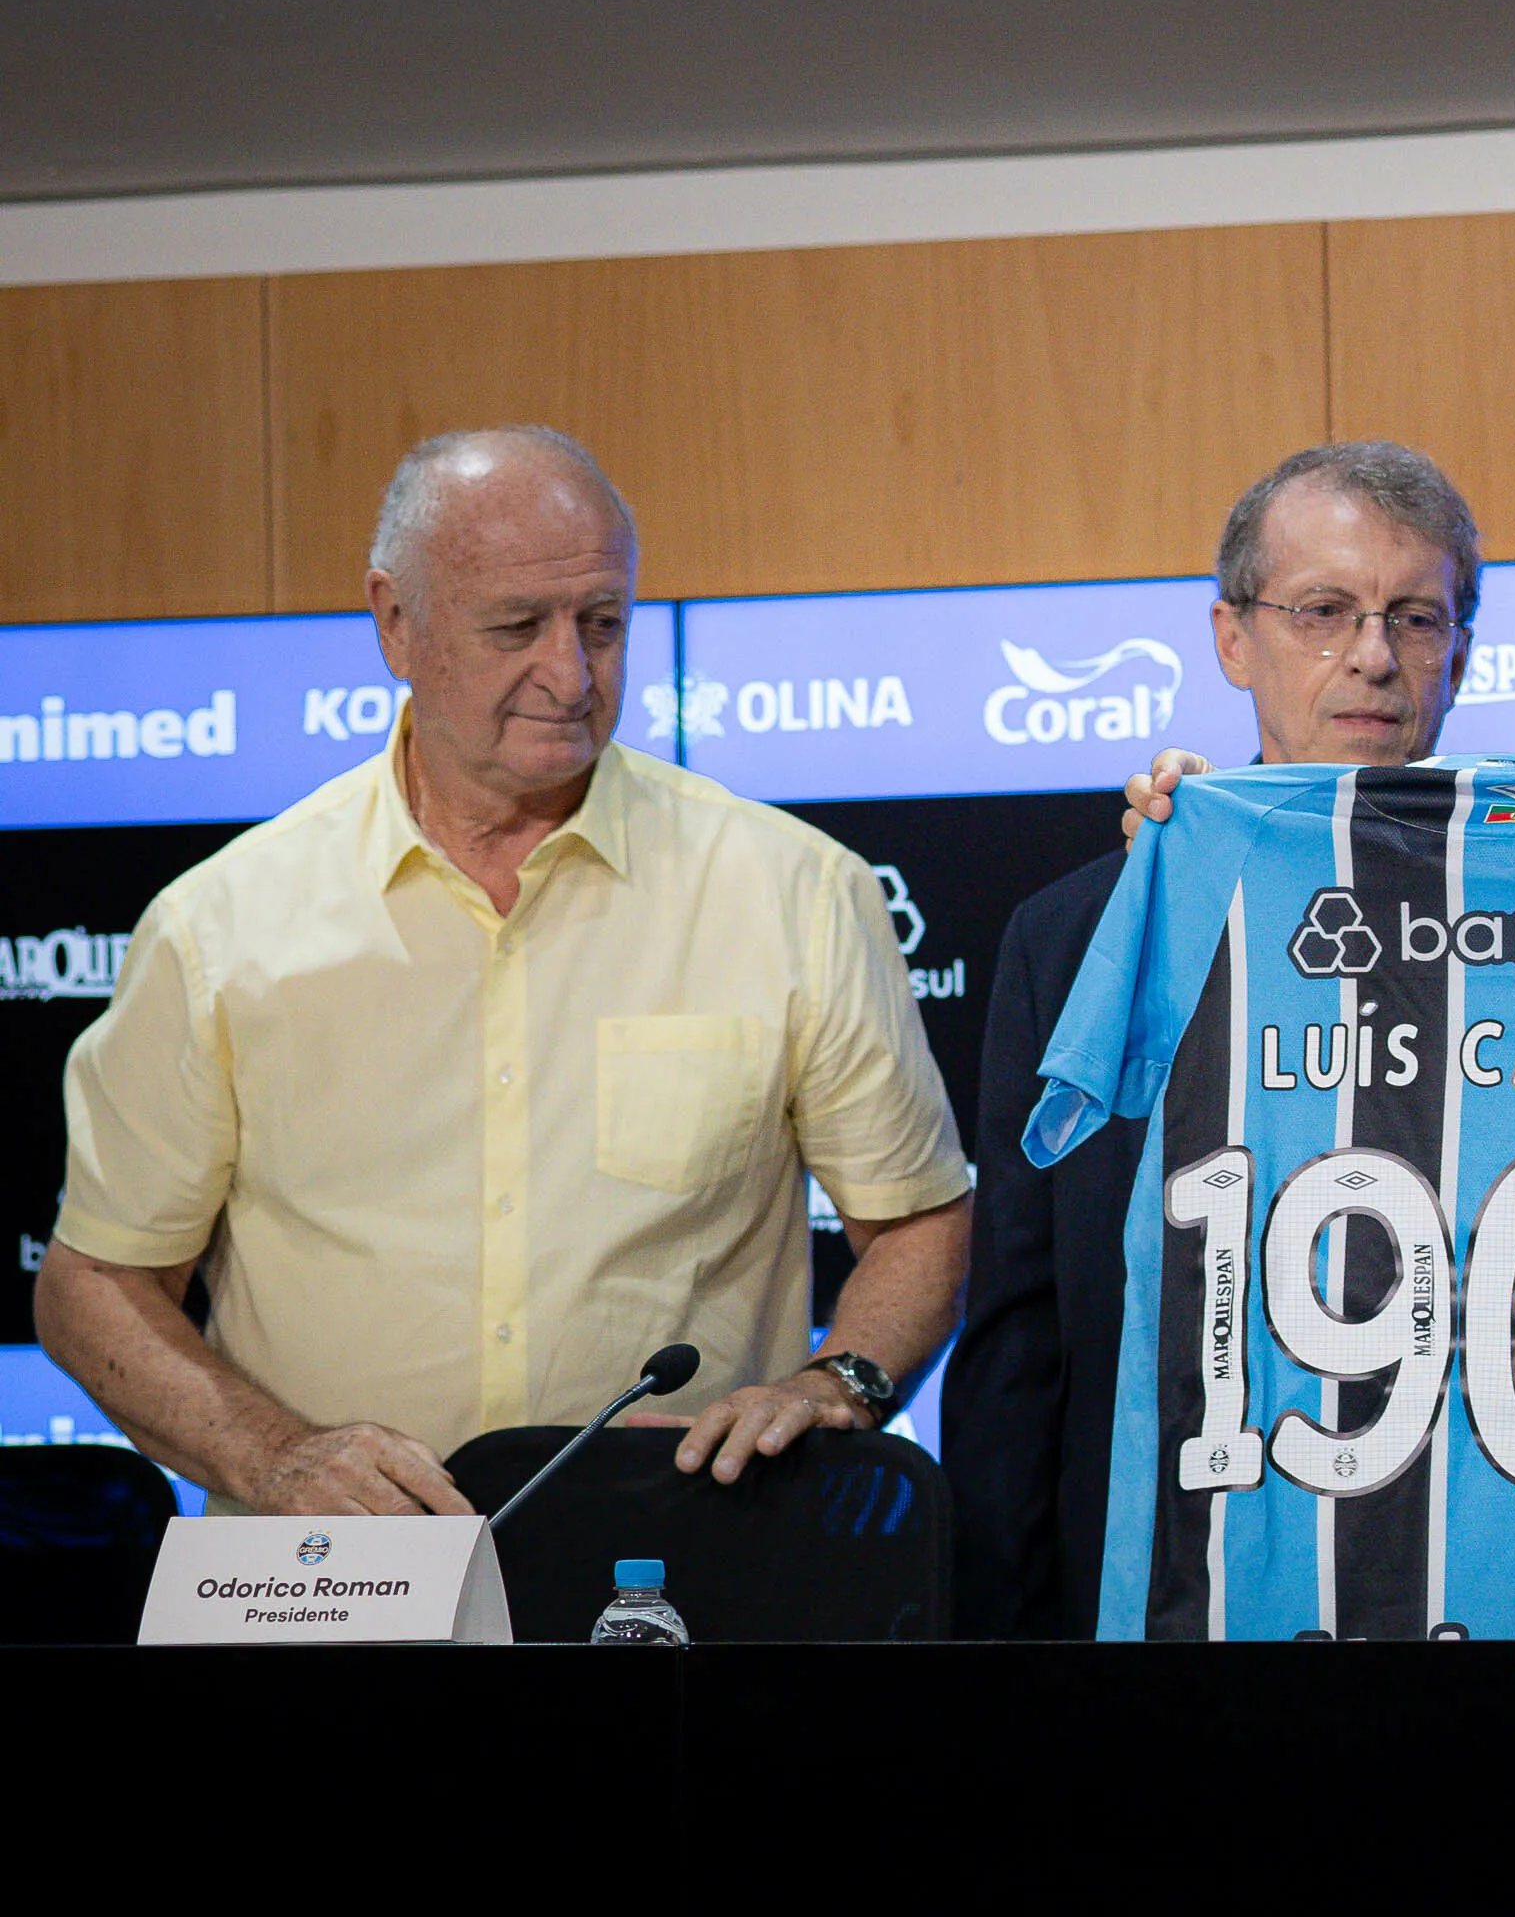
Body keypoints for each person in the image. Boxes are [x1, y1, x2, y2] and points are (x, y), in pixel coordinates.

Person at [34, 427, 971, 1514]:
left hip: (671, 1574)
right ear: (396, 621)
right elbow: (95, 1280)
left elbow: (916, 1218)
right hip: (327, 1590)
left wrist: (837, 1378)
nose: (570, 674)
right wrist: (276, 1457)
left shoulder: (793, 889)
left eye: (603, 624)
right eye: (518, 627)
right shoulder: (219, 926)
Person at [947, 439, 1479, 1638]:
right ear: (1232, 638)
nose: (1374, 657)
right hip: (1164, 1591)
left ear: (1463, 651)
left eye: (1415, 617)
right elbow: (1023, 1345)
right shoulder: (1086, 932)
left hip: (1470, 1576)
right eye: (1323, 611)